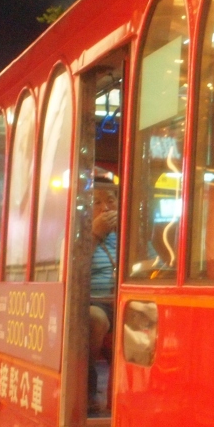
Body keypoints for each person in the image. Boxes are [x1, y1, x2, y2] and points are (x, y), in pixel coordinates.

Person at [88, 171, 118, 412]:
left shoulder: (129, 232)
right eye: (97, 202)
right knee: (96, 319)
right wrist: (94, 233)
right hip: (94, 302)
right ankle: (87, 385)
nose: (105, 208)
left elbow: (152, 262)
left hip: (124, 300)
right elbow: (70, 268)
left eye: (110, 200)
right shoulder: (79, 233)